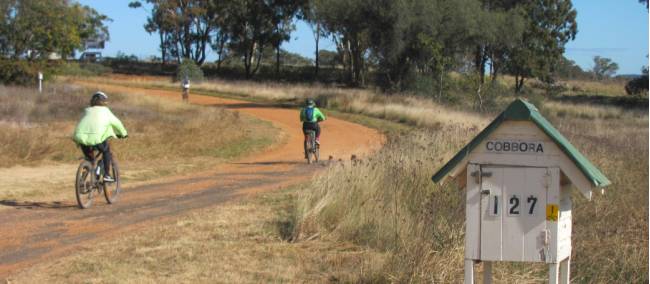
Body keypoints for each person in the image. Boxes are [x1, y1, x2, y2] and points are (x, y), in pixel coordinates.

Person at [73, 91, 128, 182]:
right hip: (97, 138)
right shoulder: (106, 112)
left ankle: (82, 180)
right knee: (106, 152)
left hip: (81, 138)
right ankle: (106, 175)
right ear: (104, 102)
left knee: (90, 159)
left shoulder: (87, 110)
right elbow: (117, 124)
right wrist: (124, 134)